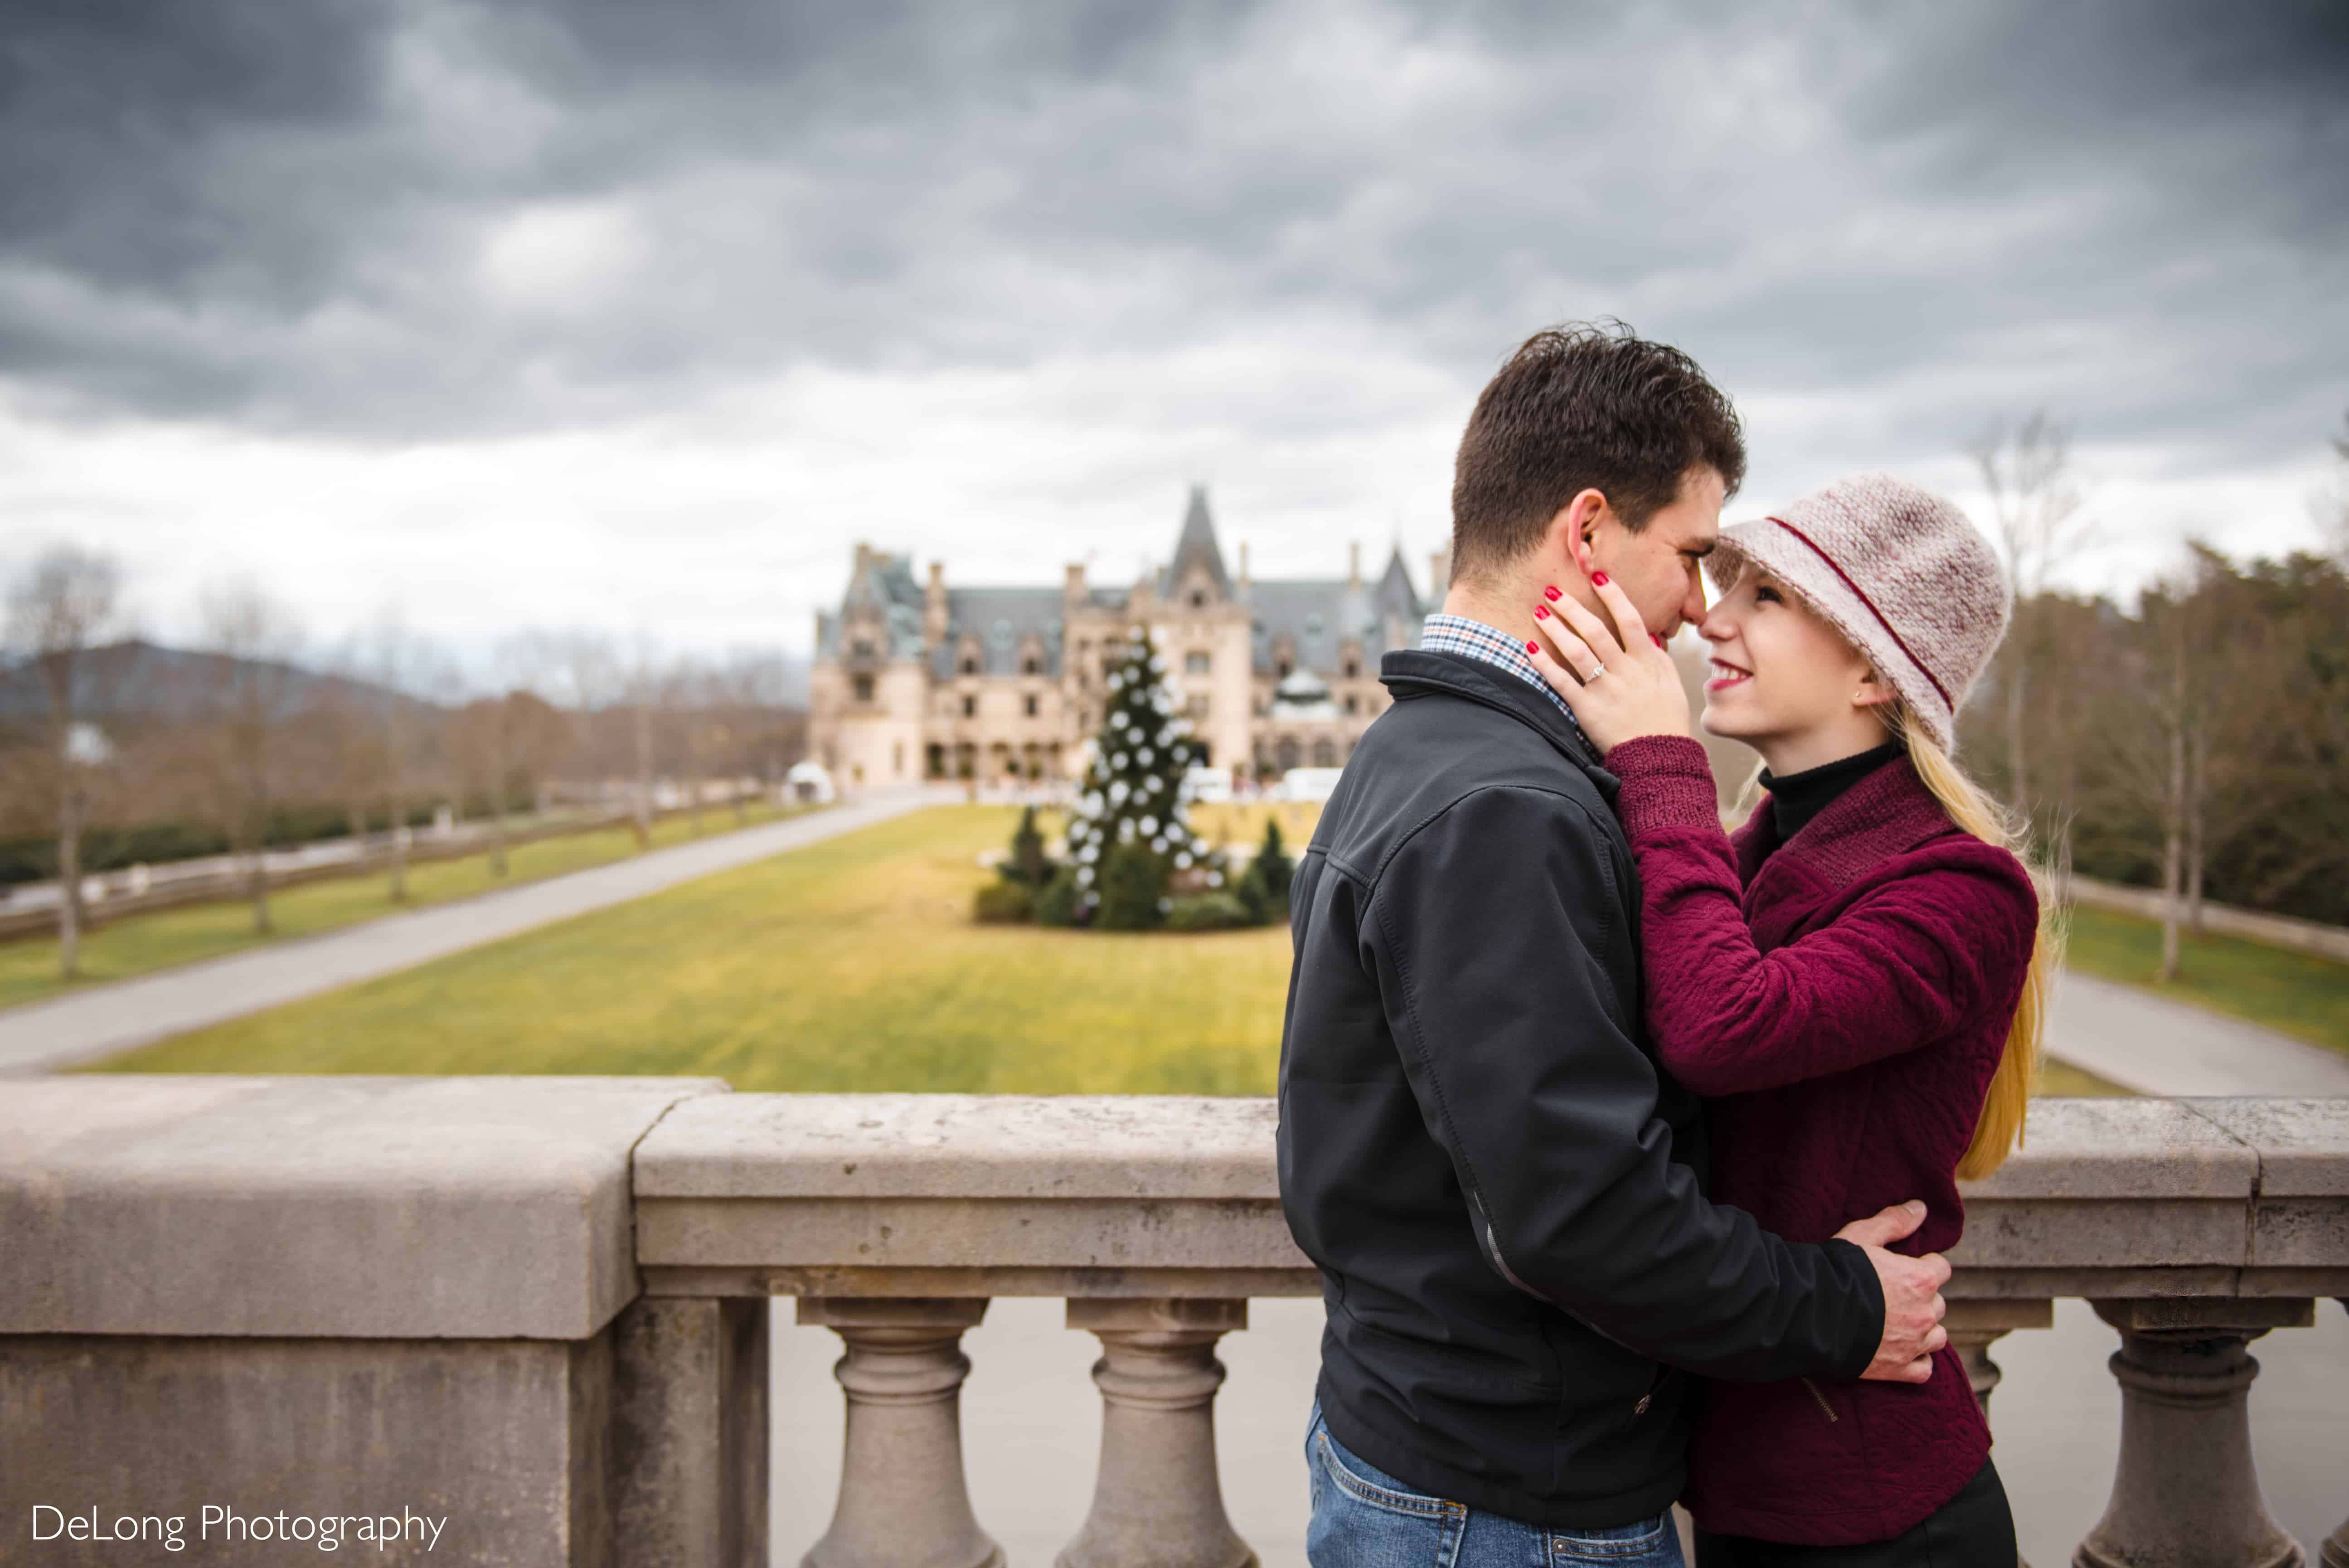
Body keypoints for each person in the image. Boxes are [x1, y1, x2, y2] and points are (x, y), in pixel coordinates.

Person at [1277, 325, 1954, 1568]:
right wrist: (1840, 1305)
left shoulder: (1427, 753)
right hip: (1507, 1503)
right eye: (1691, 558)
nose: (1700, 612)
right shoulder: (1501, 806)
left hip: (1444, 1459)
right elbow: (1578, 1214)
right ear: (1585, 535)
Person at [1524, 470, 2053, 1563]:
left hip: (1867, 1505)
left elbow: (1722, 1027)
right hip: (1743, 1475)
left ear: (1873, 664)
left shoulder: (1961, 889)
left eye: (1765, 596)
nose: (1711, 616)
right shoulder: (1756, 849)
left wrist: (1659, 756)